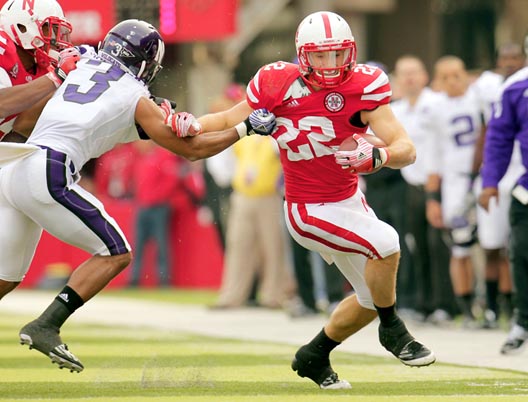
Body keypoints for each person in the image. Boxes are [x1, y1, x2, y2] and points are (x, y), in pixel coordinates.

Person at [0, 19, 273, 372]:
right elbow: (194, 150)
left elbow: (38, 119)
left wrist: (168, 111)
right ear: (146, 64)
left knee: (6, 278)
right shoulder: (135, 95)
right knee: (116, 253)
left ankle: (45, 324)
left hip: (14, 166)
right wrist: (245, 128)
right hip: (48, 170)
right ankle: (46, 325)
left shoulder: (82, 61)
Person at [197, 11, 435, 389]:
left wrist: (380, 157)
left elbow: (405, 148)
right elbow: (227, 119)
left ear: (351, 52)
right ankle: (394, 330)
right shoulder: (276, 82)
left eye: (339, 54)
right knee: (387, 242)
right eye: (321, 55)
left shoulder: (364, 85)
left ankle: (314, 355)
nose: (331, 64)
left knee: (370, 298)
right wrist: (187, 123)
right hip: (306, 208)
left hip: (349, 201)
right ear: (302, 54)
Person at [391, 55, 456, 323]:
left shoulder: (438, 103)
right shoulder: (396, 111)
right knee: (416, 245)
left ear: (424, 75)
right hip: (411, 185)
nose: (409, 78)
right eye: (404, 73)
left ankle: (447, 304)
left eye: (414, 72)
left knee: (438, 244)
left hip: (440, 183)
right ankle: (424, 303)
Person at [479, 36, 528, 354]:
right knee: (521, 252)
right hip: (526, 187)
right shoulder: (515, 87)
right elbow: (498, 136)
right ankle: (522, 320)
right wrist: (490, 181)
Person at [424, 56, 481, 327]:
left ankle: (495, 304)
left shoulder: (479, 98)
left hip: (484, 175)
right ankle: (467, 308)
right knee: (460, 247)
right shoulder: (435, 109)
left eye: (457, 74)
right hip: (455, 180)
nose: (453, 81)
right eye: (445, 76)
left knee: (497, 245)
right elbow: (433, 157)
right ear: (438, 80)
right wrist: (432, 199)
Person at [211, 134, 295, 309]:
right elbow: (223, 164)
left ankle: (274, 295)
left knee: (272, 247)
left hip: (268, 196)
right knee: (238, 245)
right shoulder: (242, 138)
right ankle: (231, 296)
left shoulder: (274, 139)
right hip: (242, 195)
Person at [0, 0, 78, 142]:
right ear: (22, 27)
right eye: (51, 28)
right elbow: (1, 104)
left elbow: (23, 125)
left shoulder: (42, 67)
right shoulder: (3, 48)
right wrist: (56, 77)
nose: (56, 37)